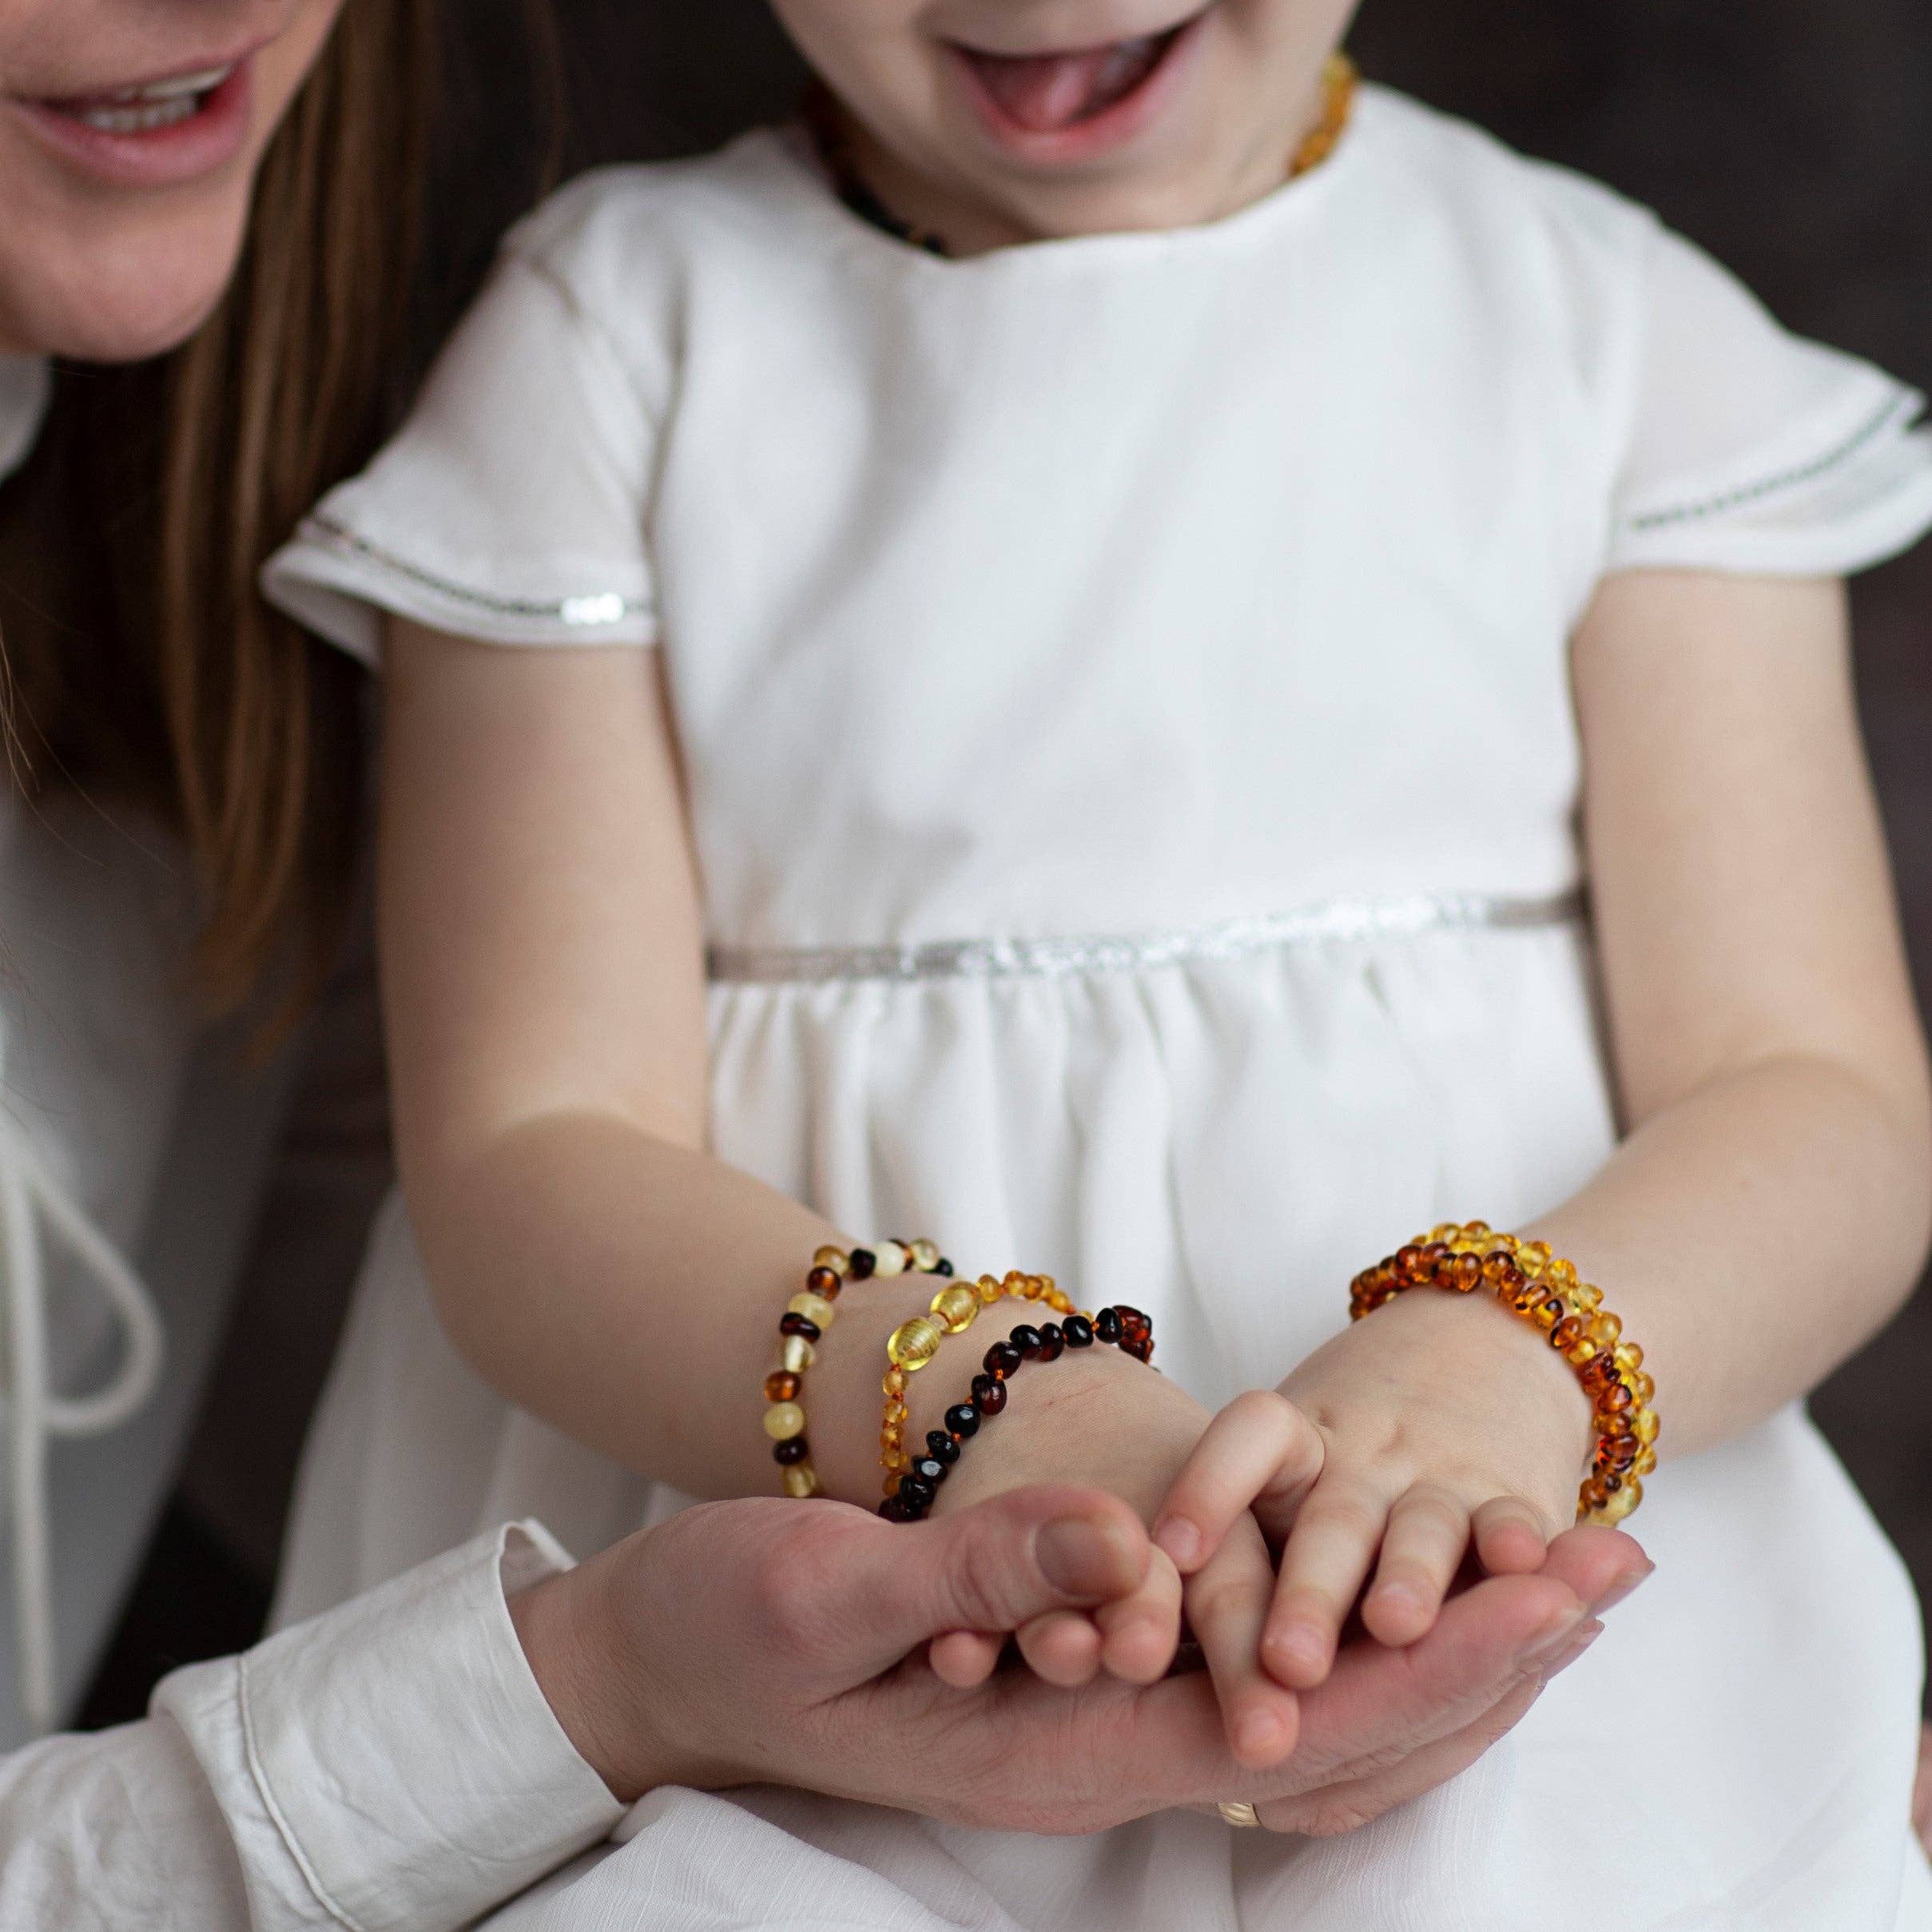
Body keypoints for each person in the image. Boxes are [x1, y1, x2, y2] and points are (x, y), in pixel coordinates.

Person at [263, 0, 1932, 1922]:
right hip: (821, 1637)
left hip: (1506, 1586)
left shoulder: (1614, 337)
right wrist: (982, 1400)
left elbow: (1814, 1093)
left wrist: (1496, 1371)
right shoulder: (611, 341)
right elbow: (530, 1148)